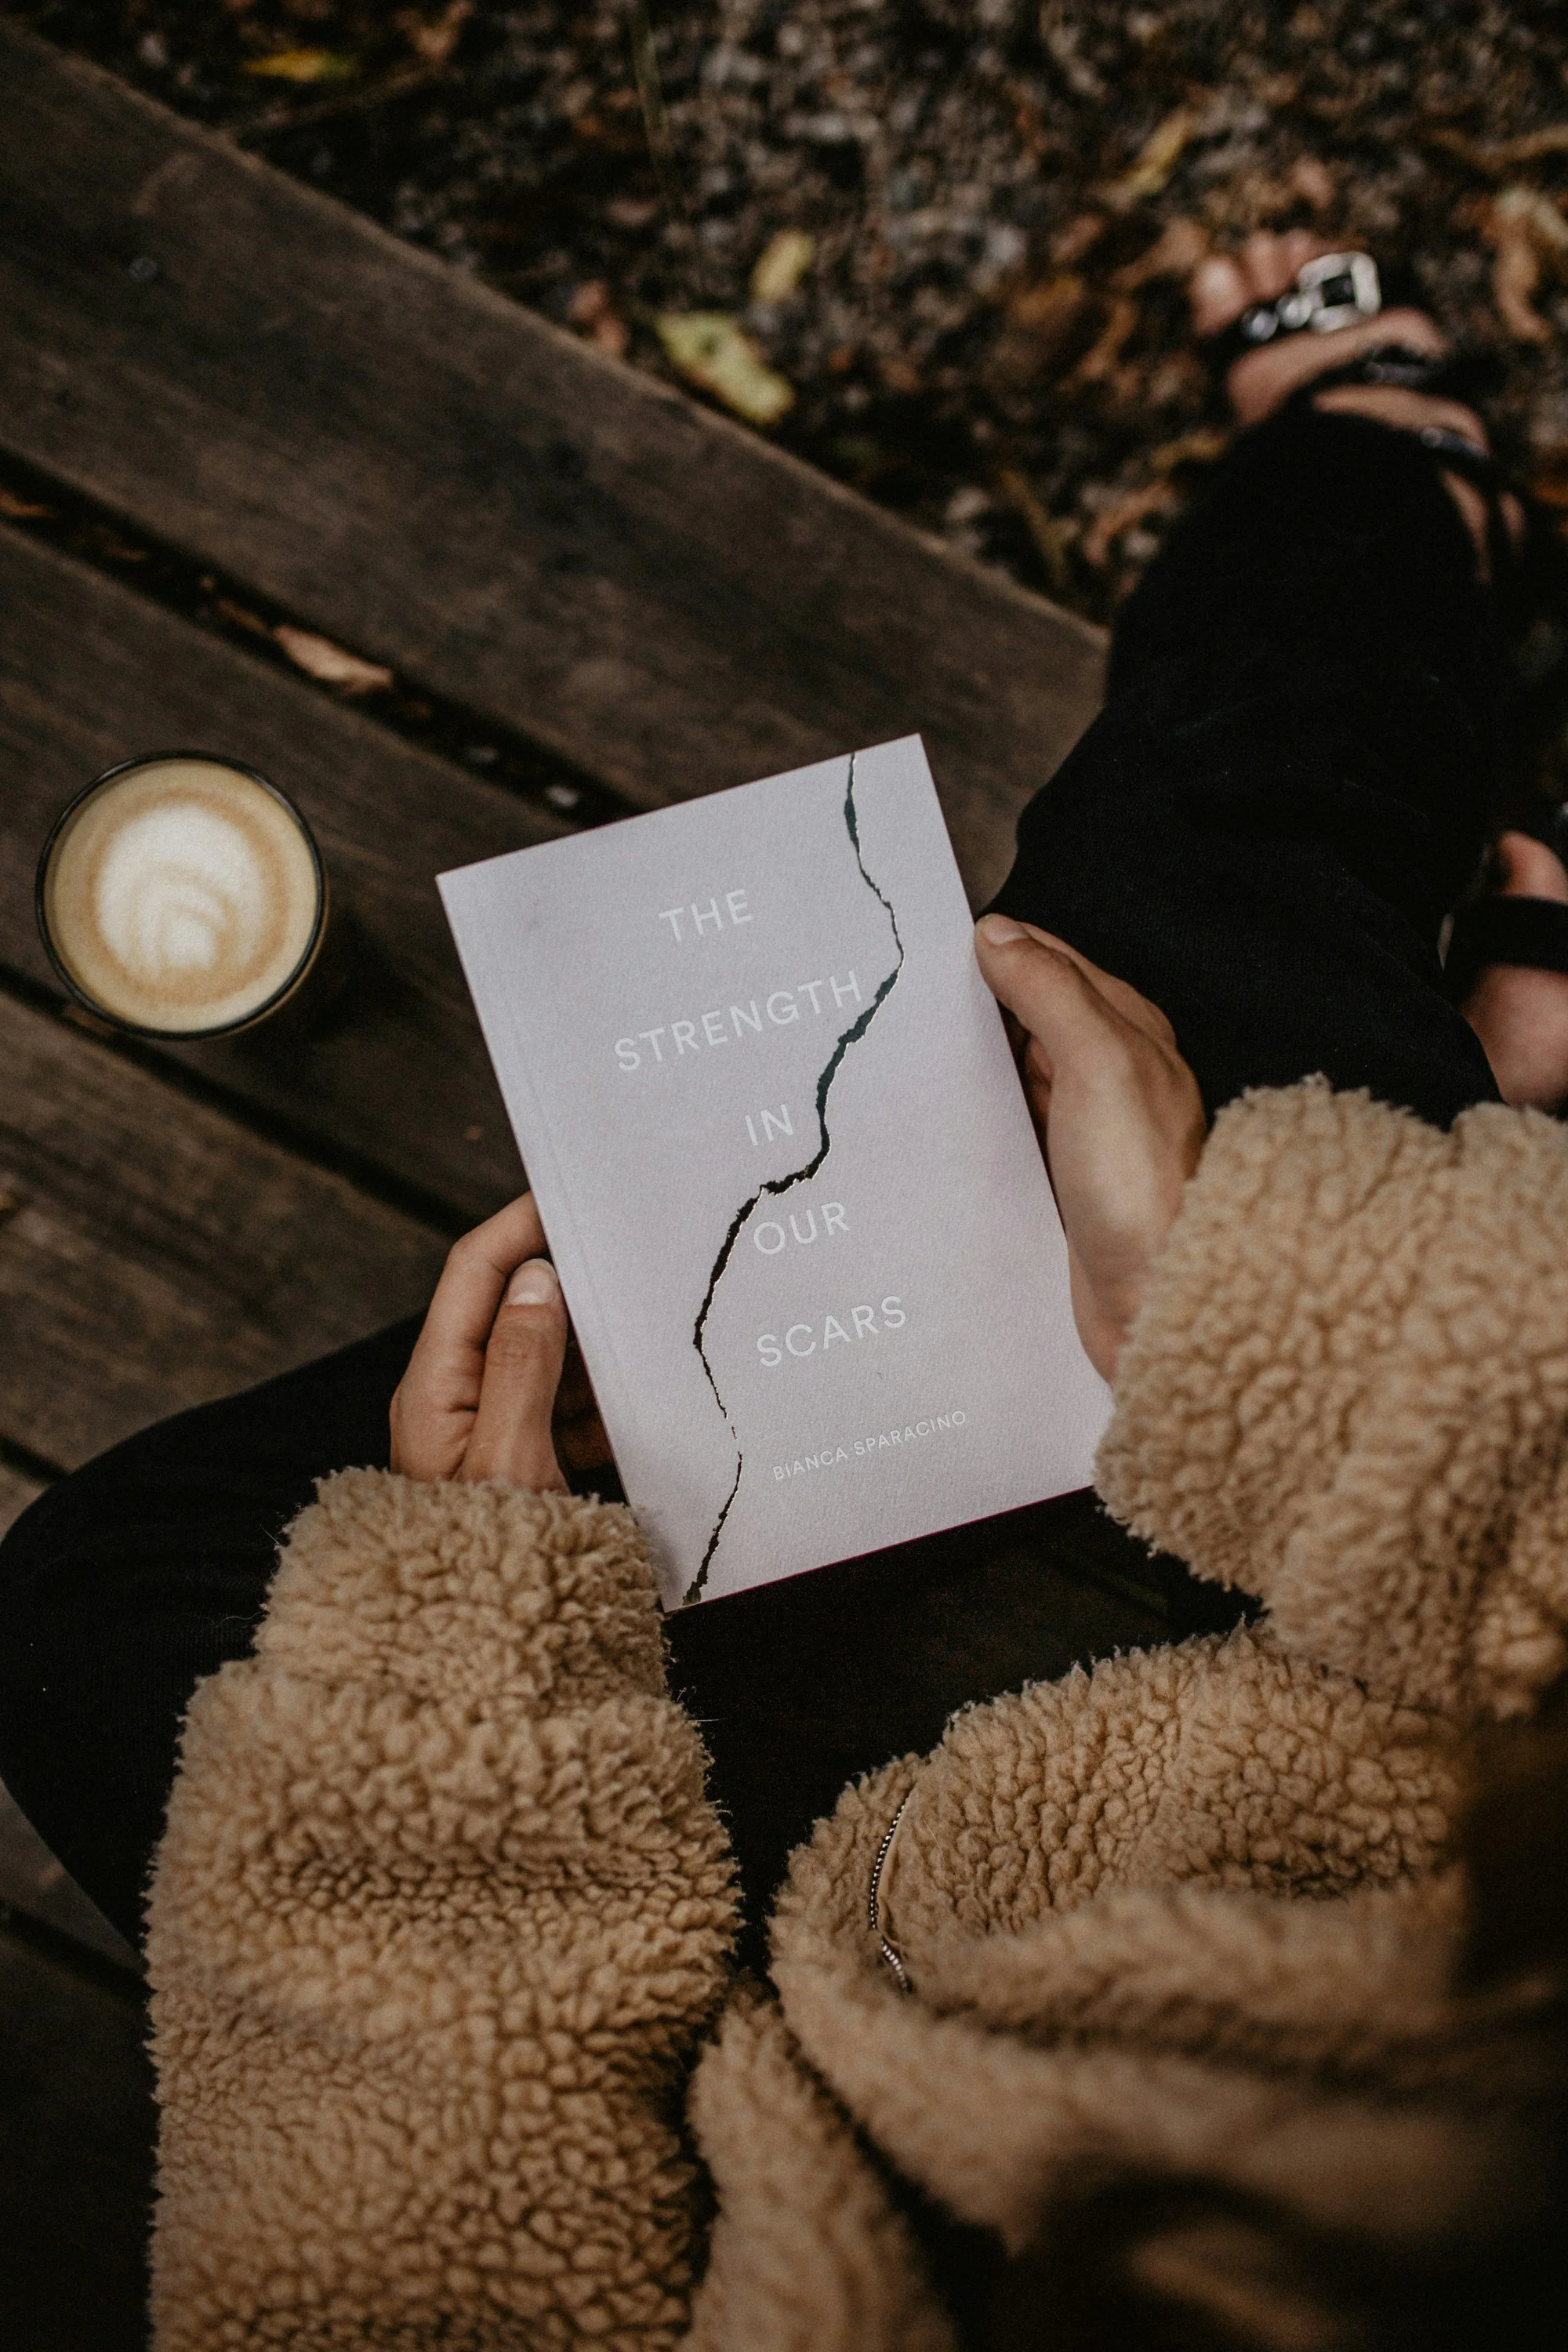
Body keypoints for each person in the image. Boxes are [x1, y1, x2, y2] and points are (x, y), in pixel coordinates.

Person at [6, 234, 1568, 2347]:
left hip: (807, 2093)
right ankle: (1402, 489)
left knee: (94, 1600)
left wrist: (468, 1728)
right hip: (1318, 1864)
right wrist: (1302, 1331)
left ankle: (1401, 581)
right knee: (1182, 938)